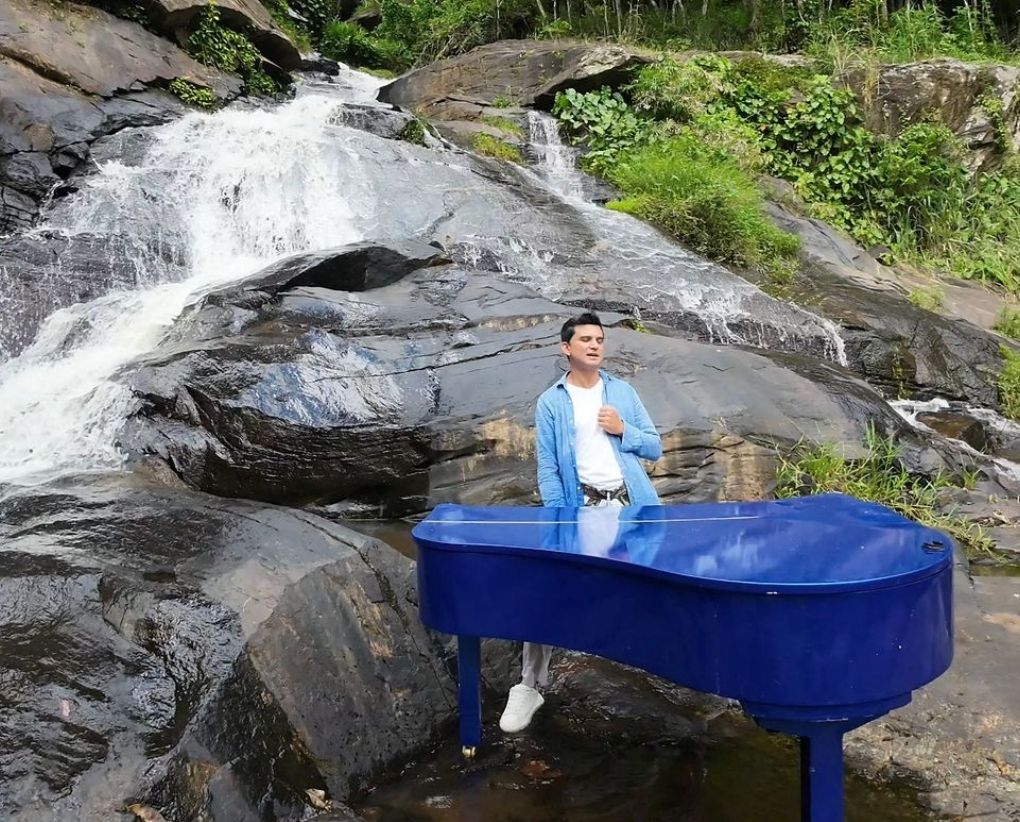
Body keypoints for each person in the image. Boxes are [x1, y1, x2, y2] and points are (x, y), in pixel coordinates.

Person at [498, 311, 662, 733]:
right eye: (585, 339)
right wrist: (561, 519)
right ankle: (529, 685)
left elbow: (654, 448)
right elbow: (548, 468)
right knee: (548, 589)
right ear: (566, 348)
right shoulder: (551, 401)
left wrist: (624, 429)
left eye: (600, 340)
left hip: (630, 510)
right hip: (580, 511)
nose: (594, 345)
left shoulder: (622, 392)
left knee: (658, 587)